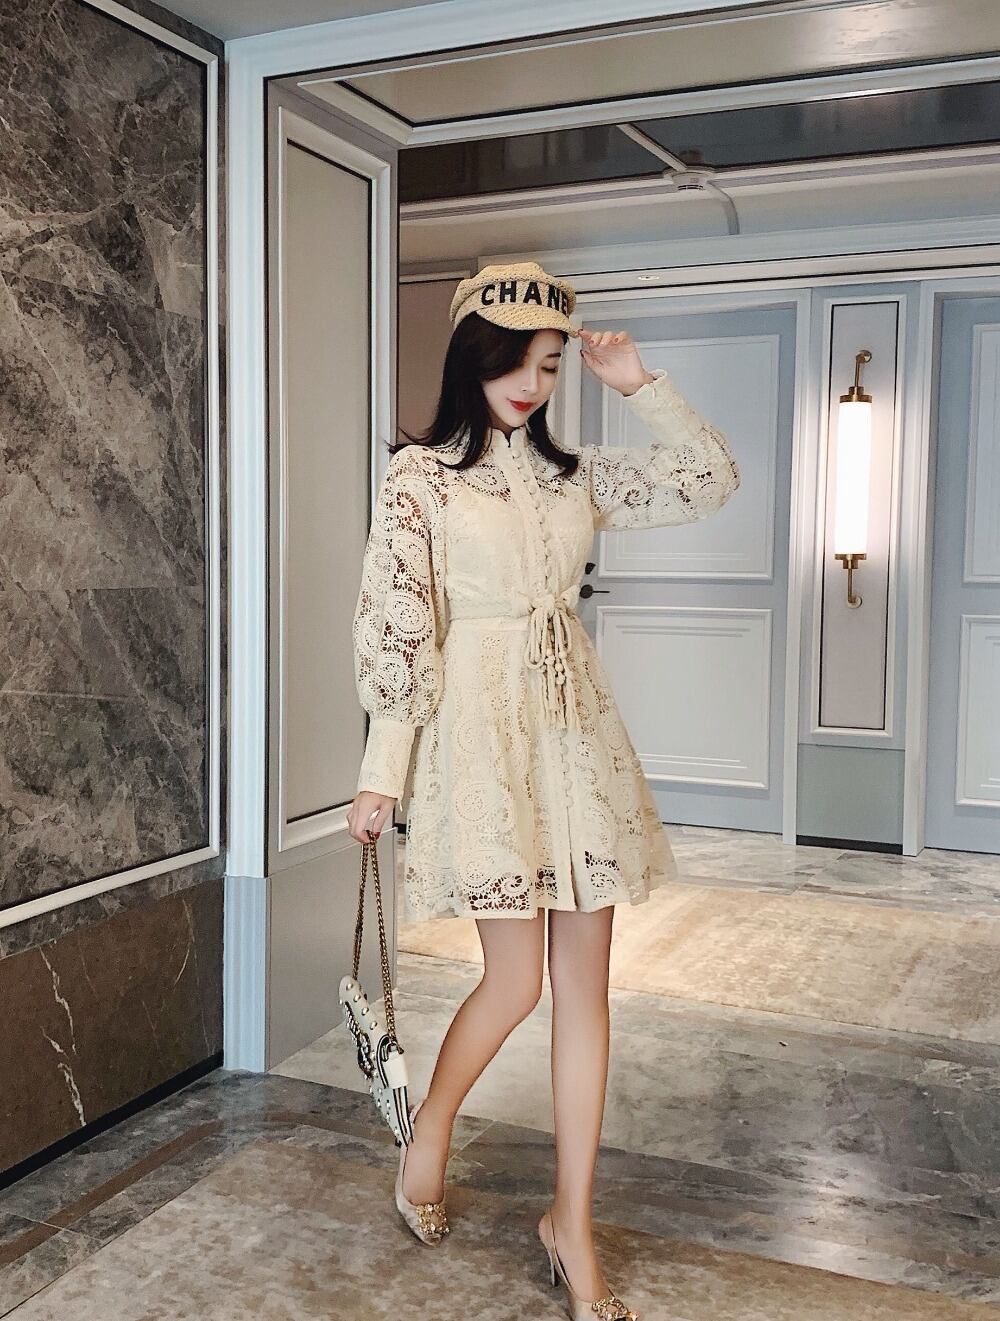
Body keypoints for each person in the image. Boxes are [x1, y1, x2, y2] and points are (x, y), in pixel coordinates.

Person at [346, 261, 741, 1320]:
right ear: (471, 357)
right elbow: (403, 626)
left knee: (585, 989)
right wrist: (382, 773)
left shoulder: (575, 478)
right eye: (515, 361)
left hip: (574, 739)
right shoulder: (420, 479)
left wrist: (638, 385)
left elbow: (709, 478)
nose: (532, 382)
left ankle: (572, 1219)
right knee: (514, 981)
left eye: (551, 364)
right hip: (483, 743)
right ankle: (431, 1127)